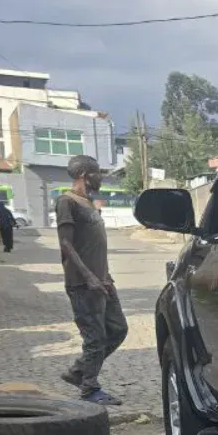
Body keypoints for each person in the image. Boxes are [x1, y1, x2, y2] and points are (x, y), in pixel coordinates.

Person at [56, 155, 126, 406]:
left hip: (103, 281)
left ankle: (77, 371)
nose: (101, 177)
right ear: (84, 174)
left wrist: (104, 277)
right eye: (98, 173)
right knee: (95, 339)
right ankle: (89, 389)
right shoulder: (66, 201)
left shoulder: (88, 202)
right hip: (83, 284)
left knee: (118, 329)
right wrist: (89, 277)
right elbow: (66, 244)